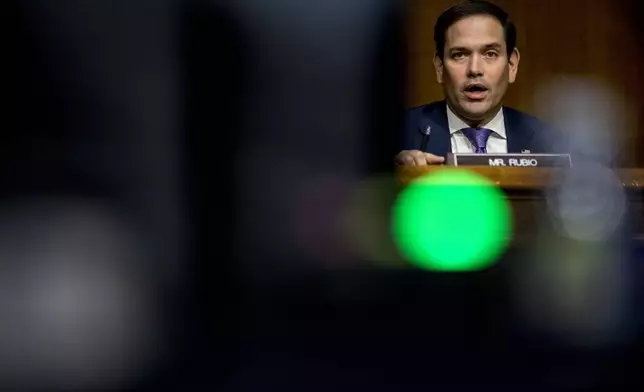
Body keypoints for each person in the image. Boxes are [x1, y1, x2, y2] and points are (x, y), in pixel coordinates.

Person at [396, 0, 561, 166]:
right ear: (439, 67)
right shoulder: (396, 136)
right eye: (460, 55)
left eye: (490, 54)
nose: (474, 69)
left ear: (512, 65)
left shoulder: (551, 143)